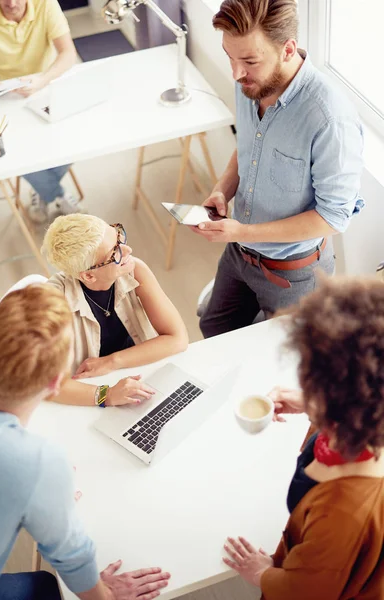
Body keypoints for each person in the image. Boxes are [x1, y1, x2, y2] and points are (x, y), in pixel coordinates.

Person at [0, 284, 171, 600]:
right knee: (46, 588)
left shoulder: (30, 461)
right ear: (57, 382)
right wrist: (106, 597)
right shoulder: (35, 463)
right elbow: (71, 556)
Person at [192, 0, 364, 338]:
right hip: (239, 255)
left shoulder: (330, 118)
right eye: (230, 56)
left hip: (293, 275)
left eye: (249, 61)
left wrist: (240, 232)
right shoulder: (250, 84)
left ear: (287, 50)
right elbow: (247, 150)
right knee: (214, 327)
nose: (236, 73)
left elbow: (332, 218)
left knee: (280, 363)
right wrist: (222, 190)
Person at [222, 276, 384, 599]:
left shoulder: (342, 515)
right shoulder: (364, 422)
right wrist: (316, 406)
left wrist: (263, 574)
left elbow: (307, 591)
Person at [42, 214, 189, 407]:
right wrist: (107, 395)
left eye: (119, 237)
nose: (128, 250)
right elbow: (46, 384)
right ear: (88, 275)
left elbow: (177, 339)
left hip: (139, 372)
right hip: (87, 392)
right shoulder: (52, 302)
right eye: (115, 253)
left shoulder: (135, 269)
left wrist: (112, 361)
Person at [0, 0, 83, 223]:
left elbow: (68, 53)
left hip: (46, 84)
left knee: (77, 138)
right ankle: (56, 195)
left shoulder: (46, 5)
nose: (11, 3)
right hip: (4, 97)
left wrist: (42, 79)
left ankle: (43, 189)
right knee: (12, 150)